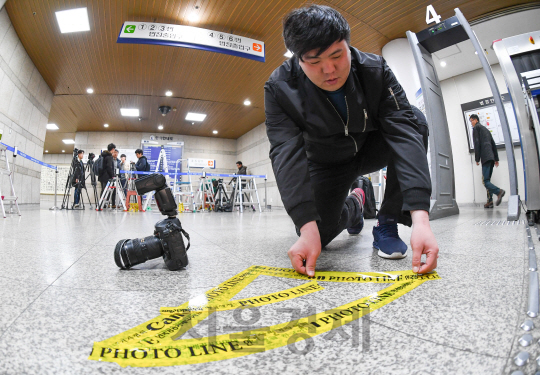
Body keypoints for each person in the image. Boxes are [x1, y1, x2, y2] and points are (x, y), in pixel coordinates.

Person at [264, 5, 438, 277]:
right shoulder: (280, 88)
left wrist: (421, 218)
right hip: (326, 161)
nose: (329, 70)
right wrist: (306, 226)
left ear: (348, 45)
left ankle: (387, 221)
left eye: (337, 55)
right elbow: (286, 151)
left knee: (415, 119)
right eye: (314, 61)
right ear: (298, 59)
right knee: (314, 232)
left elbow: (404, 131)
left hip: (370, 148)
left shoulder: (374, 70)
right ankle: (356, 205)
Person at [470, 114, 505, 208]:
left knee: (485, 181)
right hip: (491, 158)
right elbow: (493, 144)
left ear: (476, 120)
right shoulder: (486, 129)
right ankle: (489, 201)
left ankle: (499, 192)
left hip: (485, 157)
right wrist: (496, 159)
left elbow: (477, 144)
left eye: (472, 120)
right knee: (487, 180)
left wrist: (477, 159)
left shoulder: (476, 129)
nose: (471, 123)